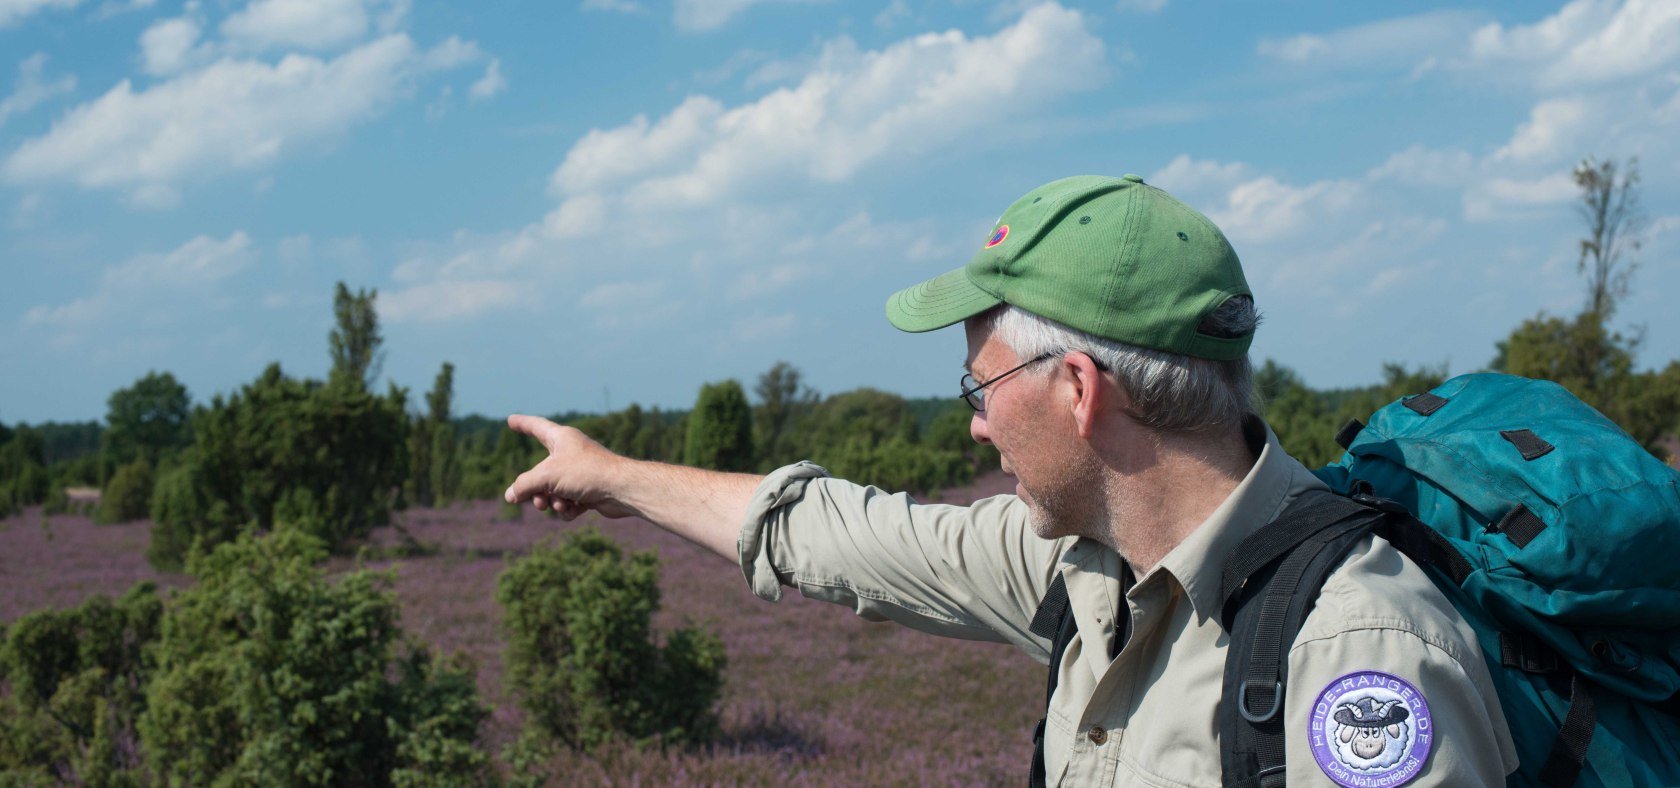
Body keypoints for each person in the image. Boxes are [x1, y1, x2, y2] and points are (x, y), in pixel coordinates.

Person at [504, 173, 1517, 787]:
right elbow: (837, 531)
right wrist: (613, 474)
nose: (975, 418)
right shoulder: (1085, 561)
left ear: (1078, 387)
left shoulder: (1359, 650)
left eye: (979, 384)